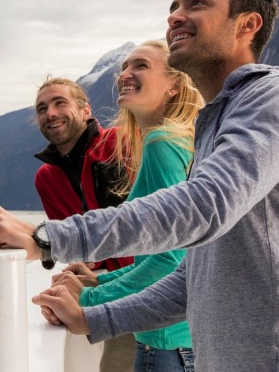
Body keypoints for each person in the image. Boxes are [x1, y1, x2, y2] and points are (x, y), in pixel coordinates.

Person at [0, 0, 279, 371]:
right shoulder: (215, 127)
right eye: (174, 7)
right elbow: (195, 278)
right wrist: (94, 318)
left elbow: (204, 205)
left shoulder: (274, 98)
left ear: (247, 25)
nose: (175, 16)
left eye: (196, 3)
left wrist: (49, 238)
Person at [53, 40, 202, 371]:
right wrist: (100, 281)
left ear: (175, 86)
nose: (125, 74)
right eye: (124, 68)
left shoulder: (162, 144)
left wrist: (89, 301)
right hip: (185, 339)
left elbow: (170, 258)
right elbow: (163, 254)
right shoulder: (181, 140)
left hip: (165, 342)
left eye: (141, 66)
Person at [33, 76, 134, 371]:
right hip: (112, 291)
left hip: (149, 284)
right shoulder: (46, 179)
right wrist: (82, 275)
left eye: (59, 103)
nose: (50, 113)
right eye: (42, 108)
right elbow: (78, 245)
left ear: (85, 110)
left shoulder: (120, 144)